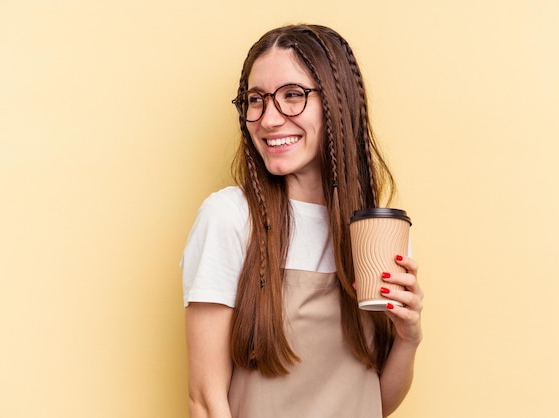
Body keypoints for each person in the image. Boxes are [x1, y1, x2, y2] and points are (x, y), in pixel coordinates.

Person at [181, 24, 423, 418]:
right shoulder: (229, 217)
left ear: (337, 102)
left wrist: (409, 338)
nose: (268, 119)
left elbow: (373, 402)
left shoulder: (376, 231)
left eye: (292, 96)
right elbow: (206, 402)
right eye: (255, 100)